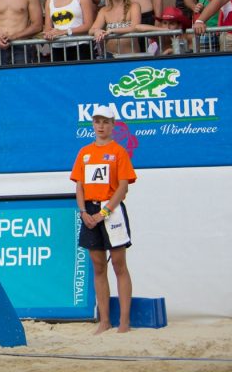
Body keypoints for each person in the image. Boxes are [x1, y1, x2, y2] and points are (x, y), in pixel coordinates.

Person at [71, 104, 137, 334]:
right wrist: (83, 212)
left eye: (105, 122)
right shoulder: (84, 152)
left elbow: (123, 187)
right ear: (92, 124)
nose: (100, 126)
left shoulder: (118, 152)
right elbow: (79, 185)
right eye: (97, 121)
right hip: (89, 211)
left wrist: (104, 213)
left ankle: (125, 322)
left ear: (113, 125)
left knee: (119, 265)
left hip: (111, 211)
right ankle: (105, 320)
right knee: (98, 266)